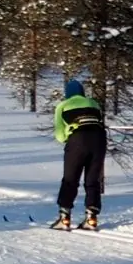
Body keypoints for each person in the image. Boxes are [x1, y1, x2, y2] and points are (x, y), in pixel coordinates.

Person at [51, 78, 106, 230]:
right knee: (92, 180)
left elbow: (60, 136)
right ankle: (92, 218)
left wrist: (69, 133)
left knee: (70, 179)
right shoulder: (94, 103)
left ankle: (64, 217)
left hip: (77, 140)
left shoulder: (62, 106)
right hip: (99, 139)